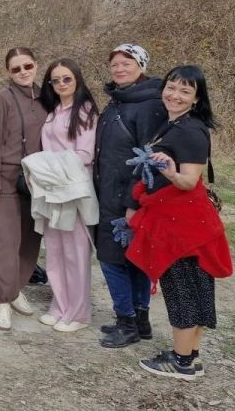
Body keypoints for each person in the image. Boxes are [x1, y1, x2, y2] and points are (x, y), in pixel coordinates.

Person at [123, 66, 233, 380]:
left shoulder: (190, 130)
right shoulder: (176, 124)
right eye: (171, 87)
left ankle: (181, 361)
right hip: (185, 223)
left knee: (183, 292)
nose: (175, 95)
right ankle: (191, 357)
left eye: (185, 91)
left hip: (183, 229)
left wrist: (170, 173)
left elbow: (188, 181)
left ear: (196, 98)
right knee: (196, 292)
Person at [94, 44, 167, 348]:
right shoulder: (118, 100)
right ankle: (140, 320)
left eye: (127, 63)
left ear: (141, 66)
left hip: (128, 195)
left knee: (111, 258)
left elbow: (150, 157)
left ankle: (127, 322)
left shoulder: (150, 104)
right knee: (132, 257)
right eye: (115, 64)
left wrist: (134, 201)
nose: (119, 68)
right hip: (110, 190)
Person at [0, 47, 48, 331]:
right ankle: (2, 301)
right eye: (16, 68)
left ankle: (15, 289)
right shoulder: (2, 99)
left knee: (31, 241)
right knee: (7, 242)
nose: (23, 72)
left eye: (27, 66)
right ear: (8, 72)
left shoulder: (46, 97)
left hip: (38, 181)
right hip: (7, 180)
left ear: (36, 65)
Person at [31, 59, 100, 333]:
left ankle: (79, 313)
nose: (61, 84)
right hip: (51, 189)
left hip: (72, 188)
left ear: (77, 79)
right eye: (55, 80)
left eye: (66, 78)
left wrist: (46, 164)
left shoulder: (85, 110)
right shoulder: (54, 110)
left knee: (75, 253)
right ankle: (59, 306)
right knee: (55, 251)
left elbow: (85, 154)